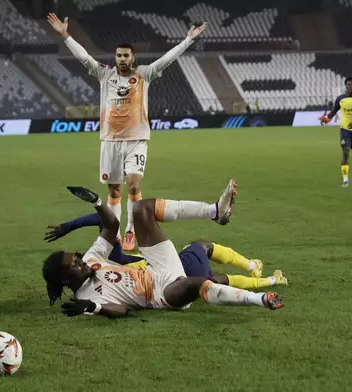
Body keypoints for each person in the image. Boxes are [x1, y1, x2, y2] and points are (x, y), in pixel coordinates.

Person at [47, 13, 207, 252]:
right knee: (114, 190)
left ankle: (132, 228)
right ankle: (116, 232)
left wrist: (188, 40)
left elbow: (166, 59)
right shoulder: (105, 74)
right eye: (119, 55)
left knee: (133, 186)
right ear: (115, 58)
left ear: (133, 58)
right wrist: (65, 35)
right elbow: (84, 58)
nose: (122, 59)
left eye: (126, 55)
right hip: (110, 141)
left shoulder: (143, 75)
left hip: (137, 140)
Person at [42, 180, 284, 318]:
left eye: (76, 257)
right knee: (198, 282)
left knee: (141, 209)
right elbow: (122, 310)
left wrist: (97, 202)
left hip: (157, 266)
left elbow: (111, 224)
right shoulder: (85, 298)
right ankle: (260, 299)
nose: (80, 260)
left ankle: (215, 211)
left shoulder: (93, 258)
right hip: (160, 292)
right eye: (74, 264)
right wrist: (94, 308)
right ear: (64, 280)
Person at [43, 212, 287, 290]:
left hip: (161, 279)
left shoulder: (92, 276)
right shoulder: (107, 258)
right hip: (164, 273)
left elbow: (103, 222)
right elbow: (104, 221)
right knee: (201, 247)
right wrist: (68, 226)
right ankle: (256, 269)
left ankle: (269, 280)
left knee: (210, 280)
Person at [319, 77, 352, 187]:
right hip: (345, 130)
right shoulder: (340, 98)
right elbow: (334, 111)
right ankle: (345, 179)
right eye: (348, 85)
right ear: (345, 86)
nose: (350, 87)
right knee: (345, 152)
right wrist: (326, 117)